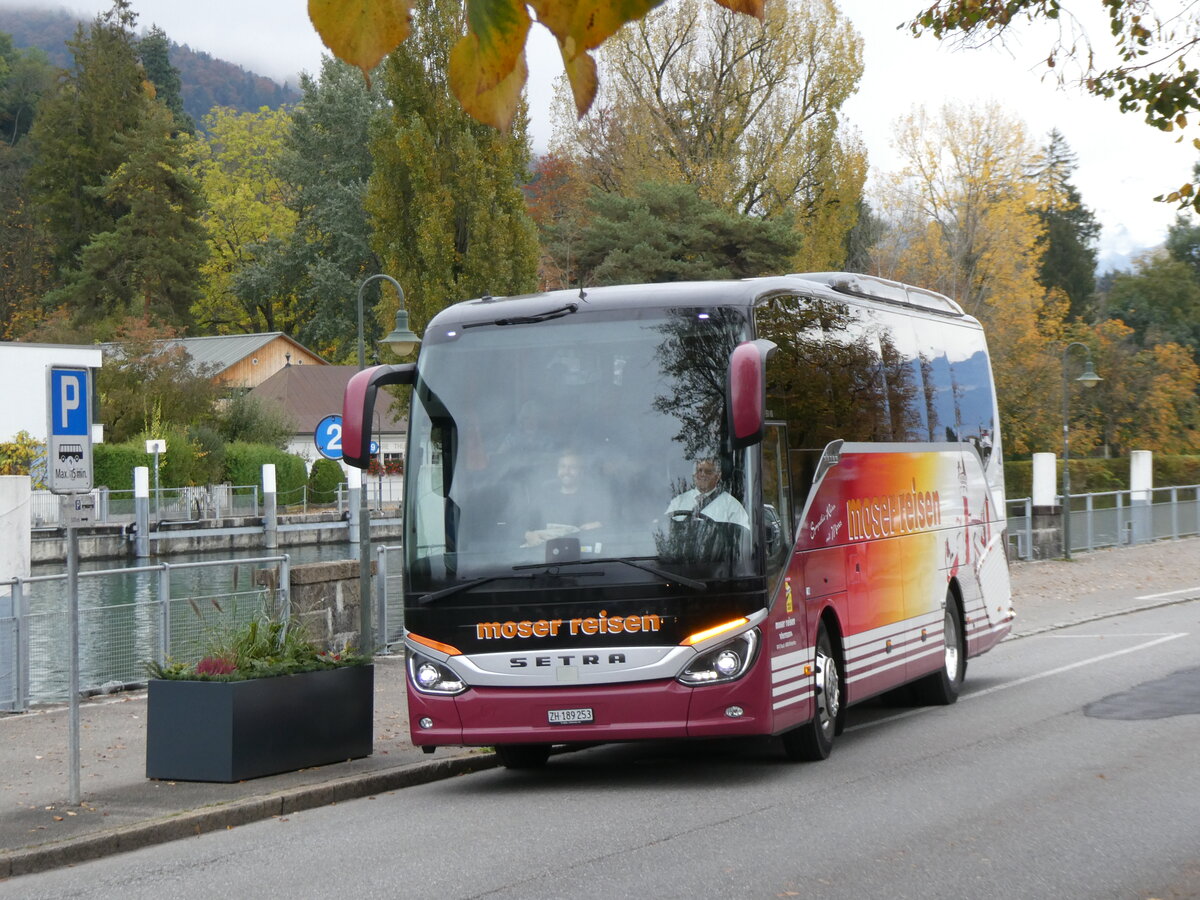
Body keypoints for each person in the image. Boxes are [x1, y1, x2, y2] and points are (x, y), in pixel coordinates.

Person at [523, 450, 608, 547]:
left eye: (573, 467)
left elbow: (614, 524)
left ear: (581, 471)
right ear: (557, 470)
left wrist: (600, 524)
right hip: (546, 557)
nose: (566, 471)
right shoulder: (544, 497)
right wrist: (528, 535)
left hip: (584, 556)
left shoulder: (594, 498)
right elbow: (523, 525)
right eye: (562, 467)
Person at [665, 458, 749, 529]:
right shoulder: (678, 502)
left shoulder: (732, 506)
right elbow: (665, 527)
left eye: (708, 472)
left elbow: (743, 536)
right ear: (694, 475)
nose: (703, 474)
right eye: (699, 471)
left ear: (718, 476)